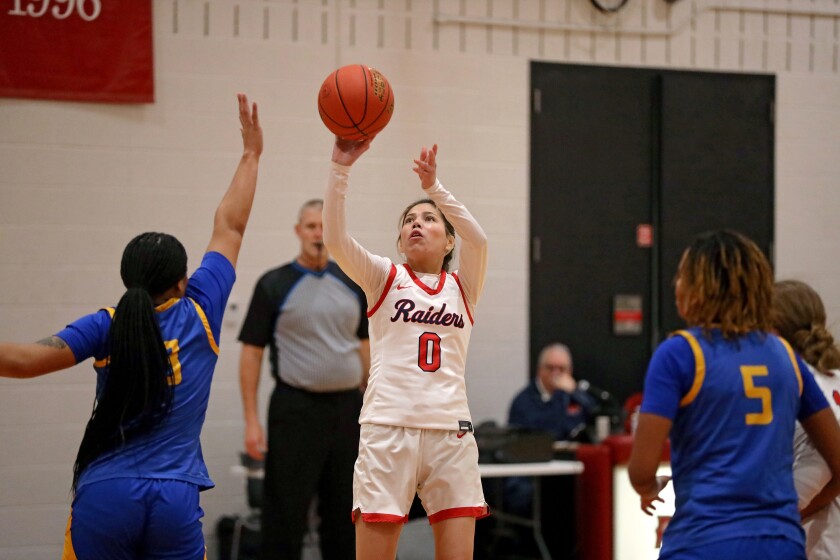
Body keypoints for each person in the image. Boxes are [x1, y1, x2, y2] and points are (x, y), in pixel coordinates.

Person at [0, 94, 262, 559]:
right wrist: (251, 154)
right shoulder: (202, 309)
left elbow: (22, 361)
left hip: (106, 493)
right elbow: (231, 227)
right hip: (175, 499)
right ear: (183, 281)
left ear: (127, 278)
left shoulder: (107, 325)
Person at [627, 229, 840, 560]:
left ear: (698, 288)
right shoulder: (785, 356)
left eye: (682, 274)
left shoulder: (680, 353)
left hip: (704, 541)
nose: (676, 284)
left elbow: (641, 469)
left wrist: (648, 489)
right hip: (779, 544)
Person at [323, 138, 489, 560]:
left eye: (430, 219)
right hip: (388, 428)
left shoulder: (464, 288)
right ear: (399, 242)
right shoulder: (384, 278)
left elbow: (480, 240)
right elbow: (337, 241)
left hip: (450, 431)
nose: (416, 224)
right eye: (409, 220)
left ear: (449, 241)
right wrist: (339, 169)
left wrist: (436, 189)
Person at [237, 198, 370, 560]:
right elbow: (251, 353)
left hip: (346, 410)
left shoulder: (353, 283)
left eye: (325, 226)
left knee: (345, 509)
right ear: (299, 231)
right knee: (286, 511)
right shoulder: (274, 284)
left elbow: (364, 344)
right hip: (295, 409)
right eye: (312, 226)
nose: (318, 233)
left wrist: (374, 401)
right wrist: (251, 421)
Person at [773, 279, 840, 560]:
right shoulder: (832, 377)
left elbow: (822, 480)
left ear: (774, 331)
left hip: (820, 545)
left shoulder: (801, 389)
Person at [508, 342, 598, 441]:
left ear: (570, 371)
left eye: (561, 369)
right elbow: (552, 431)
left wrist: (575, 393)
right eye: (550, 368)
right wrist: (559, 394)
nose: (556, 373)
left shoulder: (577, 396)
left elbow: (593, 414)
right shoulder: (523, 401)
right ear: (539, 370)